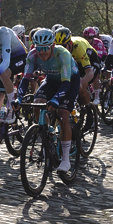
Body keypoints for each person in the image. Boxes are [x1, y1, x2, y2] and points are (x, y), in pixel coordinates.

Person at [21, 28, 79, 176]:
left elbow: (66, 84)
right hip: (52, 80)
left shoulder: (62, 54)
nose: (42, 52)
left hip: (69, 81)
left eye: (45, 48)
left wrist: (55, 99)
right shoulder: (33, 55)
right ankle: (48, 135)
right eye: (39, 48)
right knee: (37, 103)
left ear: (53, 46)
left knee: (62, 114)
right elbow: (25, 79)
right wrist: (17, 98)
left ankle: (65, 159)